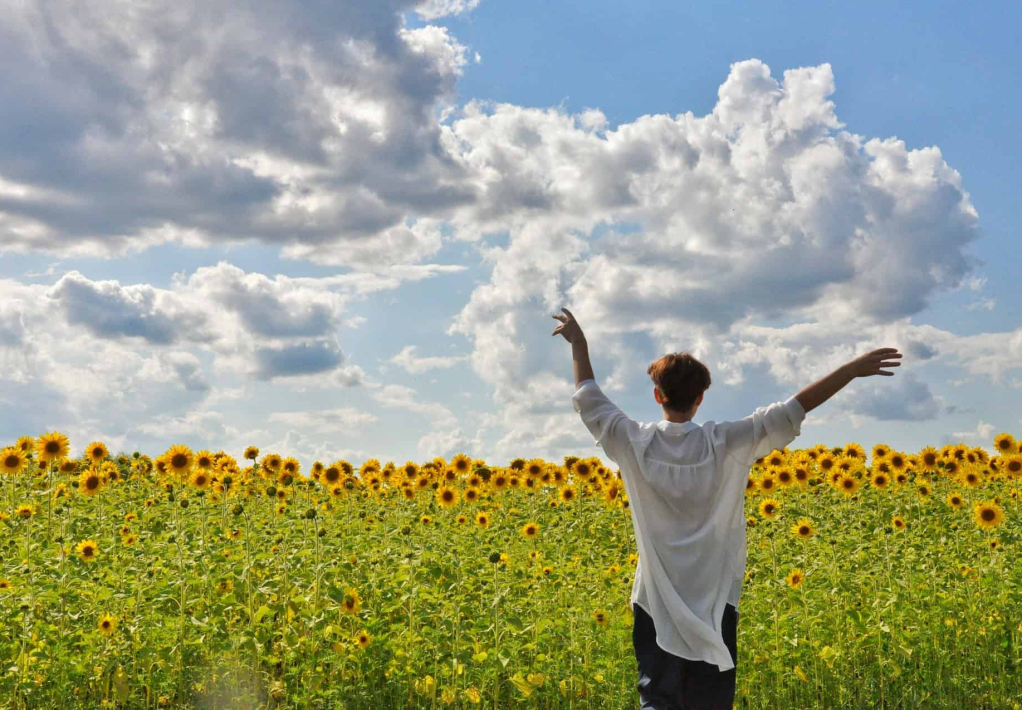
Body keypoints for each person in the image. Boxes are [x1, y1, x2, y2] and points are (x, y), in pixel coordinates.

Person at [551, 307, 902, 710]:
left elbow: (589, 397)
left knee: (658, 697)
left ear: (656, 395)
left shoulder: (632, 442)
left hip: (655, 600)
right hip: (716, 601)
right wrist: (850, 369)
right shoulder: (725, 443)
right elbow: (794, 407)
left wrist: (579, 342)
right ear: (700, 398)